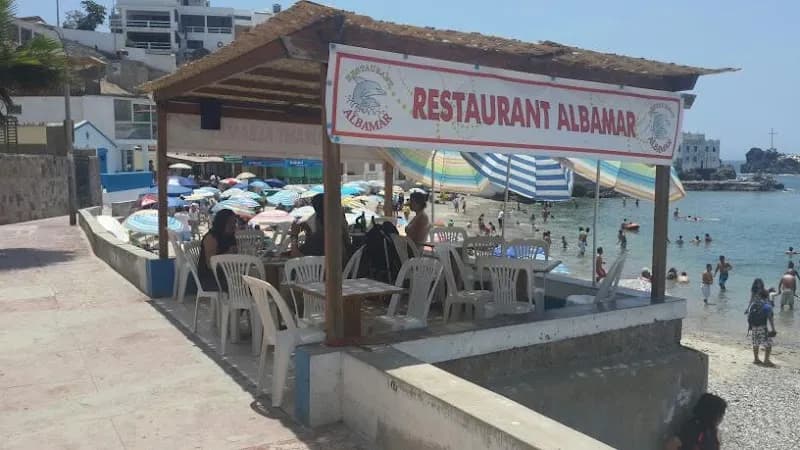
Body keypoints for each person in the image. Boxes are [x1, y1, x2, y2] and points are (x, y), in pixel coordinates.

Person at [290, 193, 351, 261]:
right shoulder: (338, 234)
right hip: (341, 269)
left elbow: (296, 257)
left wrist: (294, 236)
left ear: (318, 218)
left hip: (324, 271)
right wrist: (308, 231)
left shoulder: (323, 237)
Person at [197, 209, 238, 292]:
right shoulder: (211, 238)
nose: (234, 225)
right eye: (230, 222)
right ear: (222, 223)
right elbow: (210, 265)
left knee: (251, 284)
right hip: (210, 278)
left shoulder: (229, 236)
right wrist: (228, 254)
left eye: (234, 222)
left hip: (226, 274)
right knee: (241, 288)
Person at [746, 278, 776, 366]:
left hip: (753, 326)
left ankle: (756, 359)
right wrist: (773, 329)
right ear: (766, 296)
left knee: (755, 342)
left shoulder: (754, 305)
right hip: (762, 326)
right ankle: (766, 360)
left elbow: (750, 314)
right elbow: (770, 318)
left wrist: (748, 309)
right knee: (768, 344)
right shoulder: (767, 306)